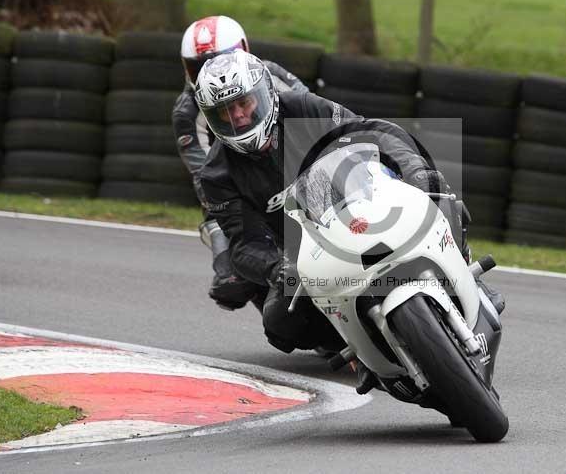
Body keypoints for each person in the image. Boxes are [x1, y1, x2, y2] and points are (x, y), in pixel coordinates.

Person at [194, 49, 463, 354]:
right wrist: (275, 269)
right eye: (225, 111)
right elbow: (244, 244)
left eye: (243, 102)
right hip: (308, 255)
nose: (239, 115)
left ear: (264, 94)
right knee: (280, 324)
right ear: (210, 116)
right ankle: (346, 346)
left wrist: (416, 172)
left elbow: (368, 131)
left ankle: (465, 281)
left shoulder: (301, 108)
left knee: (441, 197)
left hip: (362, 206)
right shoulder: (216, 174)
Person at [172, 15, 308, 312]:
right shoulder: (187, 113)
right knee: (231, 280)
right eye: (199, 66)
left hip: (291, 166)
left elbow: (310, 114)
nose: (214, 72)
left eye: (224, 59)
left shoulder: (269, 75)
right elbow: (203, 178)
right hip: (237, 188)